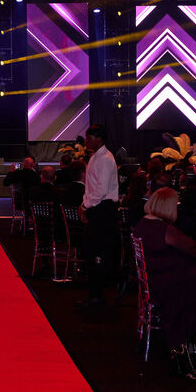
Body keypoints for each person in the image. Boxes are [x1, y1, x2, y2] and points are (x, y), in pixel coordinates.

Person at [131, 188, 196, 372]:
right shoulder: (164, 230)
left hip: (152, 282)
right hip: (168, 286)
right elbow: (193, 248)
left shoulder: (142, 224)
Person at [81, 124, 119, 306]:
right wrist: (84, 204)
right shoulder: (96, 157)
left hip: (103, 208)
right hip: (96, 207)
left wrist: (86, 205)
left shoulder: (105, 159)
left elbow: (101, 190)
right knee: (92, 250)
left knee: (98, 251)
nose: (86, 141)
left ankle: (97, 295)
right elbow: (90, 186)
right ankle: (94, 294)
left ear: (100, 139)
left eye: (89, 138)